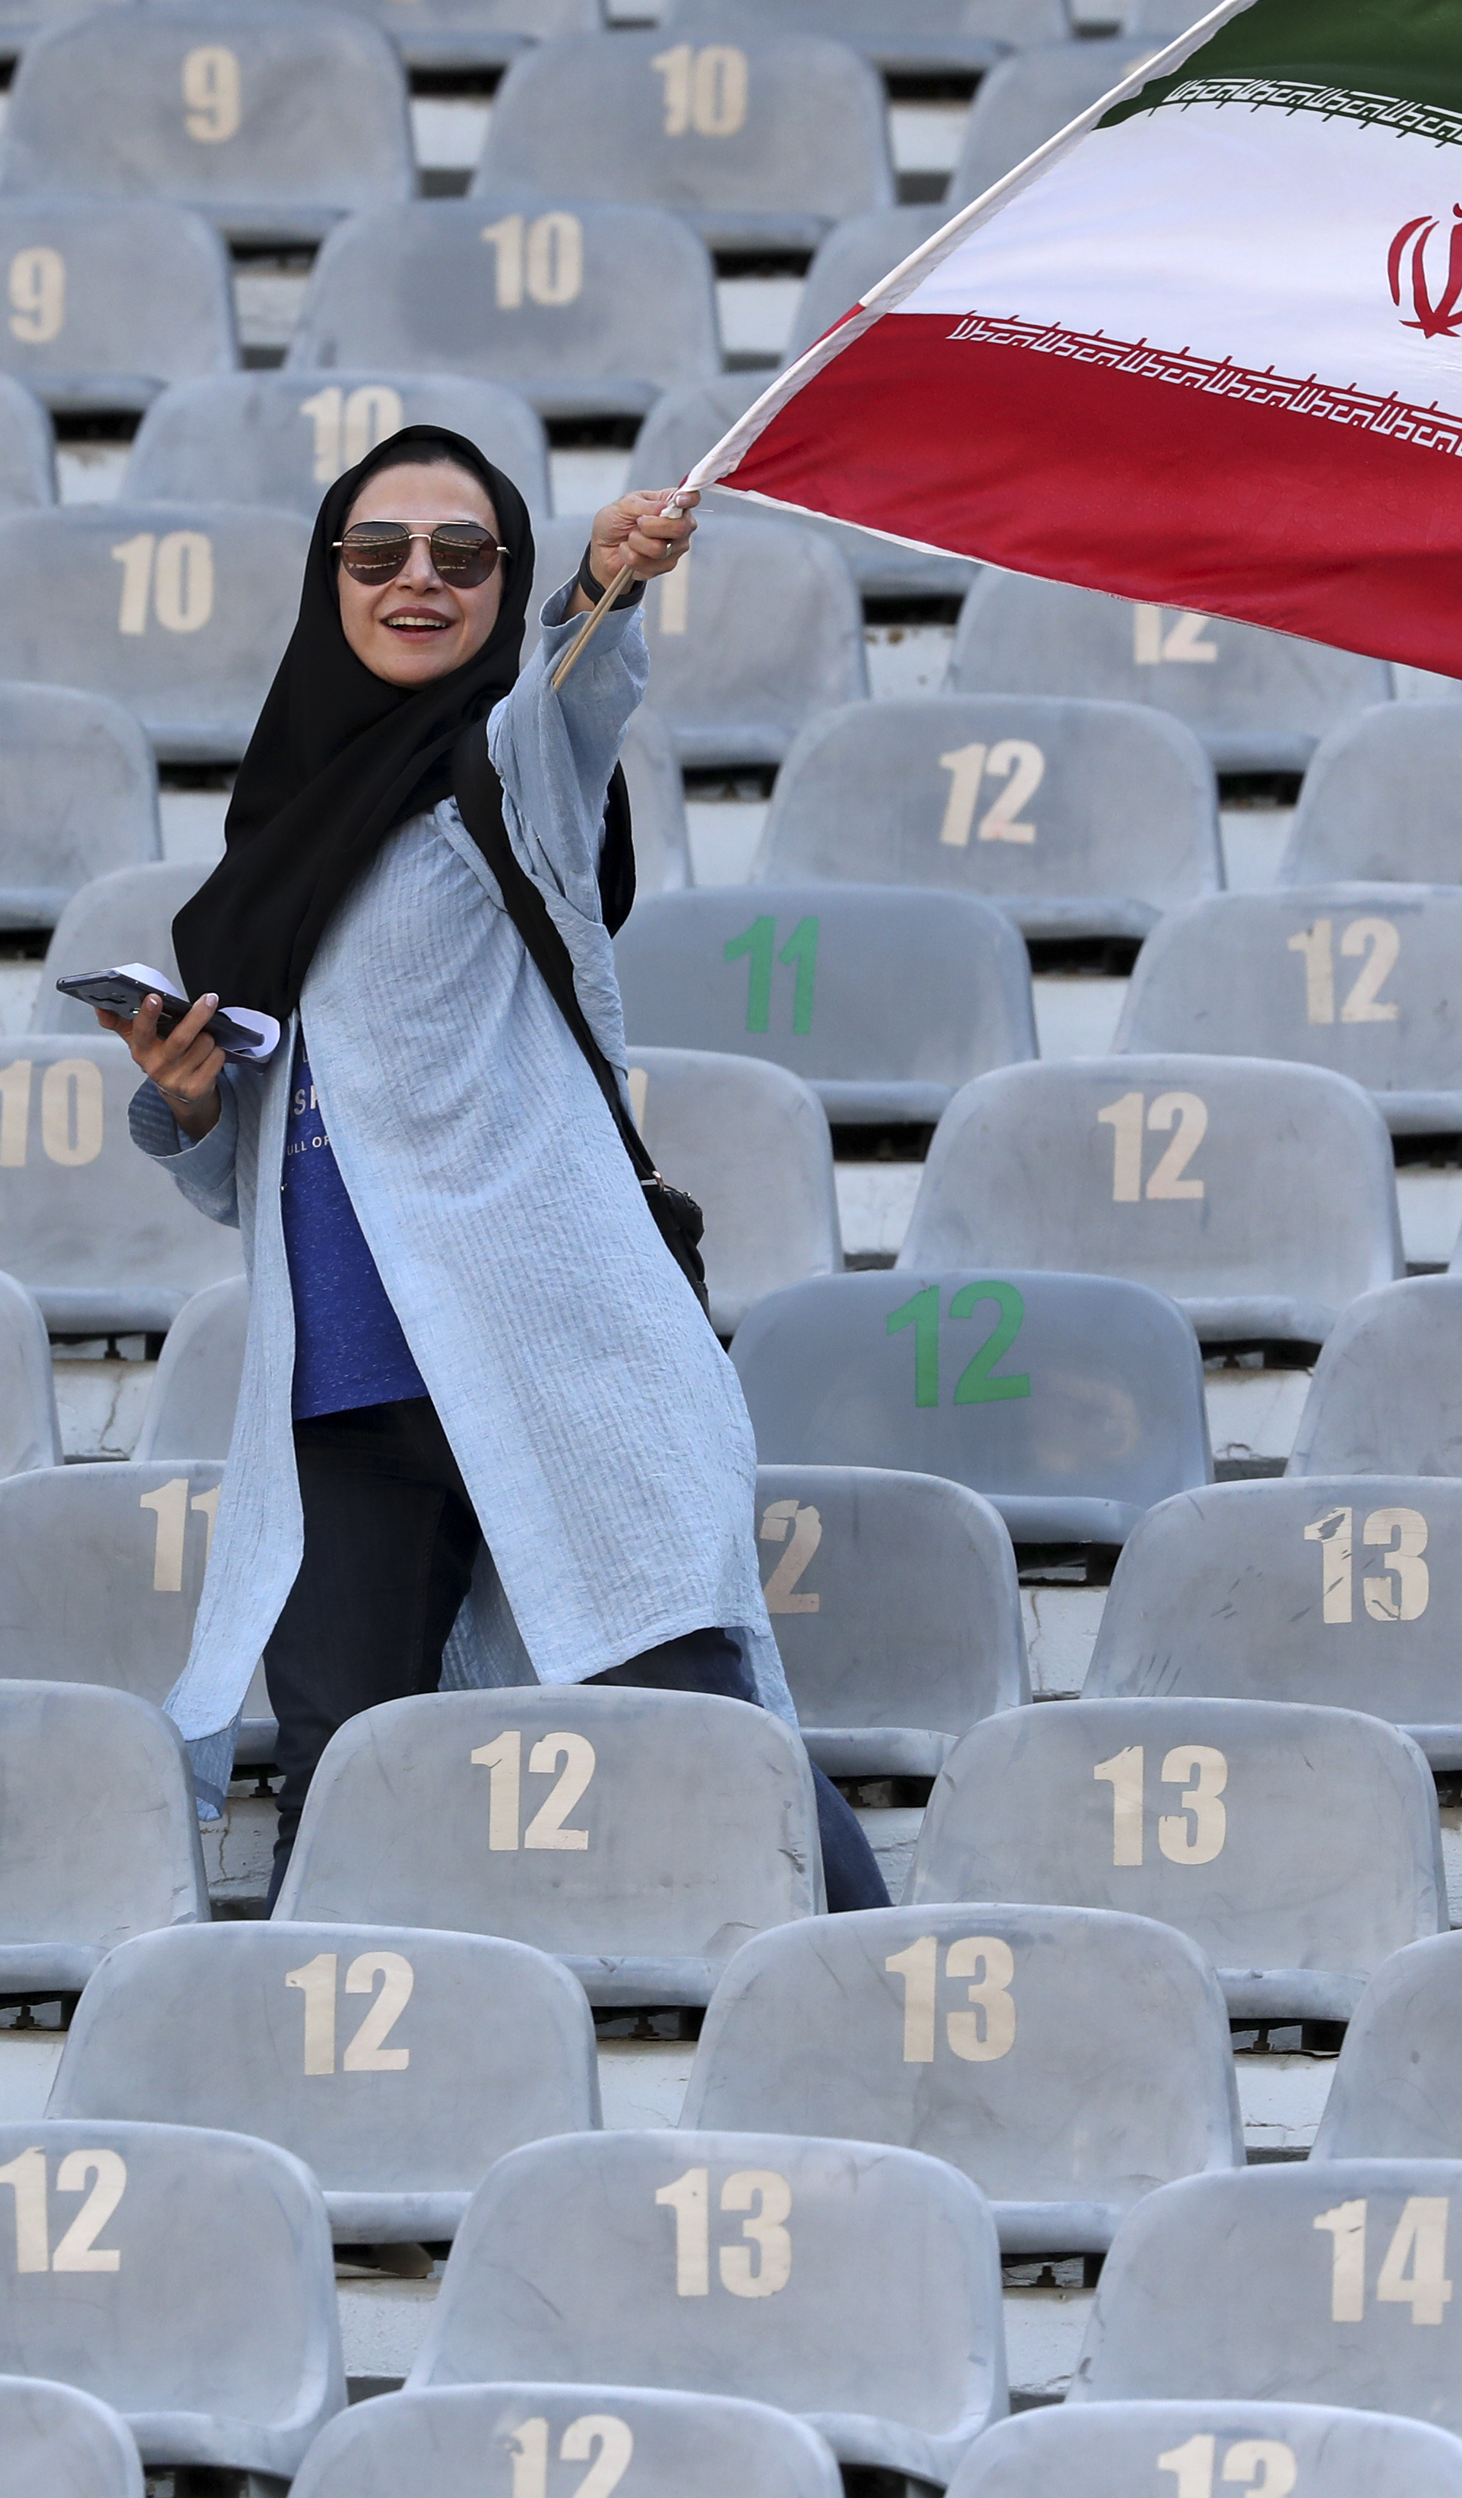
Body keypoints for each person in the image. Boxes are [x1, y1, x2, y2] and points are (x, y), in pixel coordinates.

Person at [113, 423, 888, 1911]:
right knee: (341, 1776)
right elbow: (270, 1170)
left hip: (554, 1351)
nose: (420, 580)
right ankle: (298, 2091)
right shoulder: (278, 842)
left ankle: (863, 1988)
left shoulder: (502, 777)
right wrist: (196, 1104)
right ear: (327, 580)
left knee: (693, 1709)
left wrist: (600, 592)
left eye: (464, 555)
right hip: (342, 1384)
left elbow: (572, 700)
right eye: (379, 552)